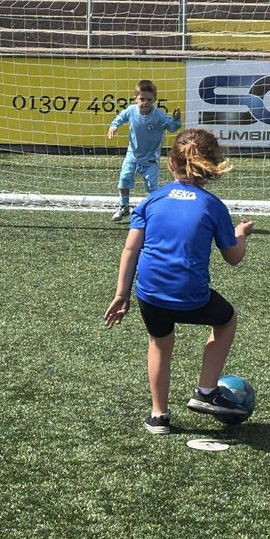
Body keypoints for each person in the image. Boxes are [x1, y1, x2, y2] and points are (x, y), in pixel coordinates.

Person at [103, 128, 255, 435]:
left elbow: (131, 248)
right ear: (211, 169)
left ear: (170, 164)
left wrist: (122, 294)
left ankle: (158, 416)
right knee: (226, 320)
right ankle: (206, 391)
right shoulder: (212, 206)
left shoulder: (152, 200)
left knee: (160, 342)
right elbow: (234, 257)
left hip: (150, 294)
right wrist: (241, 235)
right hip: (190, 295)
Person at [106, 79, 182, 222]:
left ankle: (154, 210)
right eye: (142, 99)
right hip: (132, 155)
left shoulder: (159, 115)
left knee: (152, 187)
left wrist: (176, 119)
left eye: (149, 99)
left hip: (151, 159)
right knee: (124, 180)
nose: (145, 102)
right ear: (135, 98)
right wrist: (113, 126)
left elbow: (172, 127)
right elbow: (120, 117)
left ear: (155, 100)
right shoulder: (130, 111)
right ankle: (124, 207)